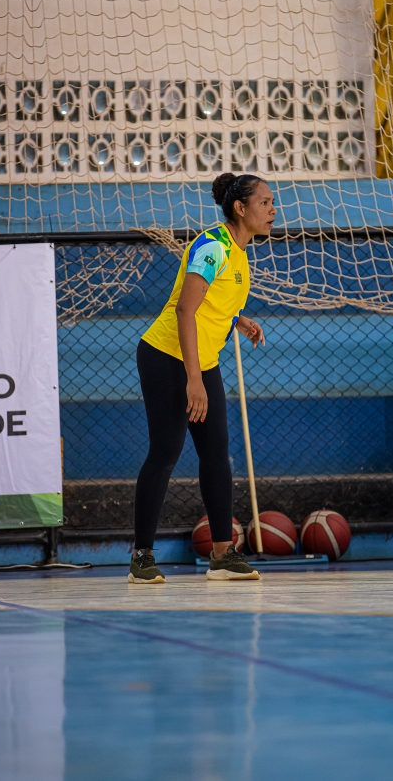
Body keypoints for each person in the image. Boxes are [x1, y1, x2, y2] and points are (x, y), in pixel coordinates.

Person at [128, 172, 277, 583]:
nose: (272, 210)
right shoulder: (213, 247)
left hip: (202, 360)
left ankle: (223, 555)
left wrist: (238, 320)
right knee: (166, 452)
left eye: (272, 203)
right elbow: (184, 309)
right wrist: (193, 380)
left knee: (216, 452)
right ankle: (141, 558)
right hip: (166, 355)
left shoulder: (239, 251)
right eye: (264, 203)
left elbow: (213, 300)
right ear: (240, 208)